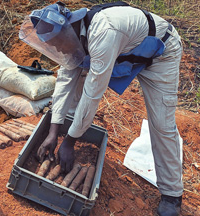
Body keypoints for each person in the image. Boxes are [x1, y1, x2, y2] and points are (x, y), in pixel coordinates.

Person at [19, 1, 183, 215]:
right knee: (74, 79)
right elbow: (63, 84)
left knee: (161, 124)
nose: (58, 48)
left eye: (58, 43)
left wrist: (69, 142)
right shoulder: (73, 36)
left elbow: (93, 94)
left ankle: (172, 194)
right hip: (126, 52)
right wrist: (53, 131)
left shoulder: (103, 33)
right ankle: (68, 132)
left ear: (69, 30)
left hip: (161, 53)